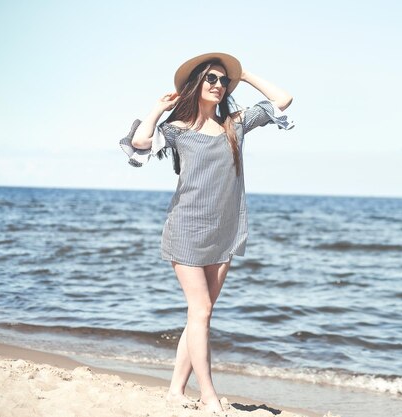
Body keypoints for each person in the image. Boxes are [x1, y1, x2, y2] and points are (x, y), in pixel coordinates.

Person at [118, 52, 294, 413]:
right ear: (197, 85)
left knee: (199, 313)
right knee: (201, 311)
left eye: (222, 80)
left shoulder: (236, 125)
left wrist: (244, 75)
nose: (218, 85)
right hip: (185, 229)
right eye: (211, 79)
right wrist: (156, 108)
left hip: (225, 230)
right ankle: (209, 394)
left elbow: (282, 99)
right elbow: (139, 143)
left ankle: (174, 391)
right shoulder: (177, 131)